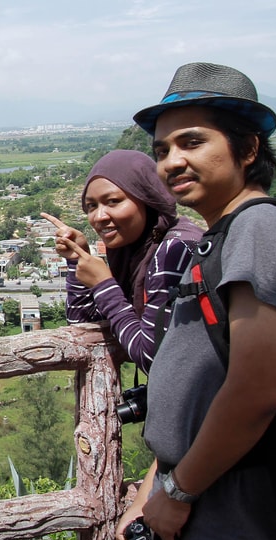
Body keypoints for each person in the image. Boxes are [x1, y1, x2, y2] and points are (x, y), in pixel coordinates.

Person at [115, 62, 276, 540]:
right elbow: (204, 384)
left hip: (231, 536)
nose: (171, 162)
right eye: (162, 149)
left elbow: (256, 391)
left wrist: (177, 492)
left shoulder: (261, 231)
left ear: (248, 147)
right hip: (198, 522)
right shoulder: (222, 237)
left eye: (192, 141)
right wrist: (157, 484)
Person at [41, 149, 203, 373]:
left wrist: (104, 285)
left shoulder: (175, 251)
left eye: (113, 201)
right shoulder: (137, 252)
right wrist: (78, 258)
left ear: (148, 198)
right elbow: (82, 326)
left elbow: (152, 360)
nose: (99, 216)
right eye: (91, 206)